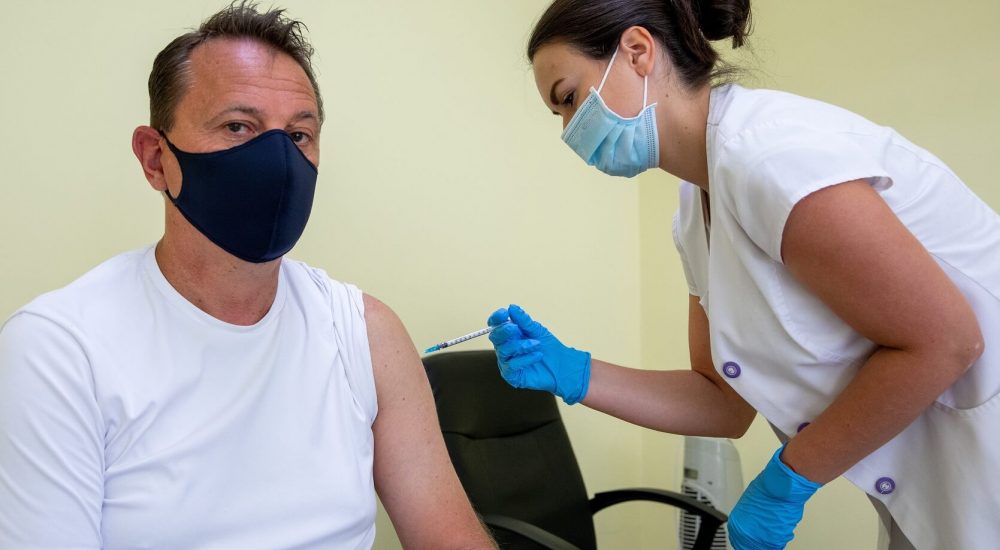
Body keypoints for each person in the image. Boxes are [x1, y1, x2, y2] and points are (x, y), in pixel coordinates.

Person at [486, 1, 1000, 549]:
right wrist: (574, 372)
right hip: (936, 485)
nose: (569, 131)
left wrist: (788, 481)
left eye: (569, 98)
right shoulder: (695, 212)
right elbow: (721, 402)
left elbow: (946, 341)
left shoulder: (767, 157)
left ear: (637, 52)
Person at [0, 3, 495, 548]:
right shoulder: (60, 350)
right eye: (238, 127)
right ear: (156, 159)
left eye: (299, 135)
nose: (278, 160)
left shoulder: (363, 333)